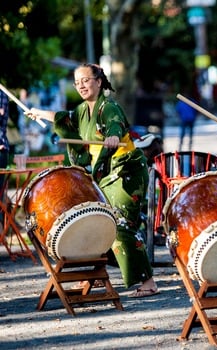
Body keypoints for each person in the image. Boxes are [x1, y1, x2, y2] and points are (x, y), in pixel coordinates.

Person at [25, 63, 159, 298]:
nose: (81, 86)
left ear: (98, 81)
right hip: (106, 173)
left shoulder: (109, 107)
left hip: (126, 170)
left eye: (85, 80)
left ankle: (147, 282)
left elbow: (115, 126)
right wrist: (39, 113)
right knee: (99, 219)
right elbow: (64, 119)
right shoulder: (81, 111)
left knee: (120, 223)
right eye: (77, 83)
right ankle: (97, 276)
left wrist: (113, 136)